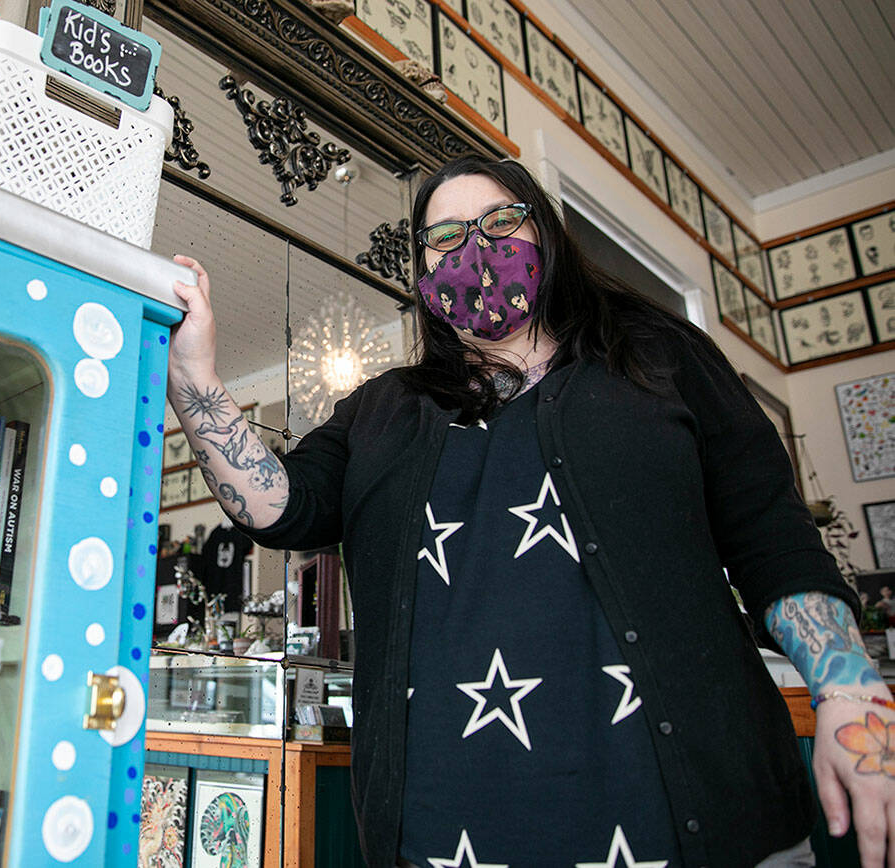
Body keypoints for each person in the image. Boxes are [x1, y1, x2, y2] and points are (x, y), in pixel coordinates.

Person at [166, 155, 895, 868]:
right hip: (441, 836)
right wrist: (194, 377)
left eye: (501, 221)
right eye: (446, 237)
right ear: (421, 276)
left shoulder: (657, 355)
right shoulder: (380, 411)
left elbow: (772, 533)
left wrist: (850, 688)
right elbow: (278, 505)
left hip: (706, 820)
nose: (475, 248)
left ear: (544, 234)